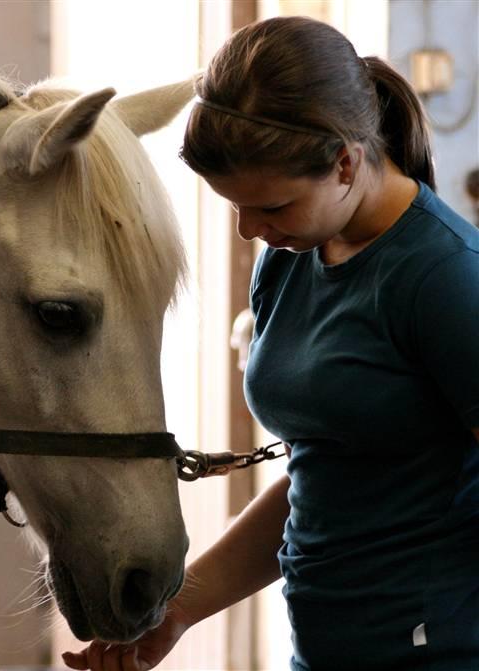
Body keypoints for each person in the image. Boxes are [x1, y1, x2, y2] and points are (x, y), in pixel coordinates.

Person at [62, 15, 479, 671]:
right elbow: (323, 476)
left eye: (273, 207)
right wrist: (175, 611)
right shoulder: (289, 258)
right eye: (235, 207)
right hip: (319, 649)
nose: (249, 229)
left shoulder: (445, 278)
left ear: (345, 162)